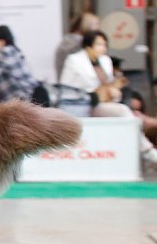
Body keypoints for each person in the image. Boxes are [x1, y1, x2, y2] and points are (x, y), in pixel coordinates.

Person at [60, 30, 157, 164]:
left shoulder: (106, 61)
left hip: (99, 104)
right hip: (78, 105)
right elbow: (65, 88)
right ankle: (146, 152)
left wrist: (114, 92)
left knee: (124, 112)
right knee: (126, 113)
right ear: (88, 46)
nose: (103, 48)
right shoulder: (74, 60)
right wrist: (90, 95)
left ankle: (145, 152)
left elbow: (108, 86)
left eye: (105, 44)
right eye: (99, 44)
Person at [0, 25, 39, 103]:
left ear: (2, 42)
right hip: (29, 98)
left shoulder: (4, 52)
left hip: (25, 101)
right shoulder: (11, 51)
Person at [54, 12, 99, 80]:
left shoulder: (67, 40)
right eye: (97, 24)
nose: (98, 28)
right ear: (87, 25)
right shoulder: (79, 44)